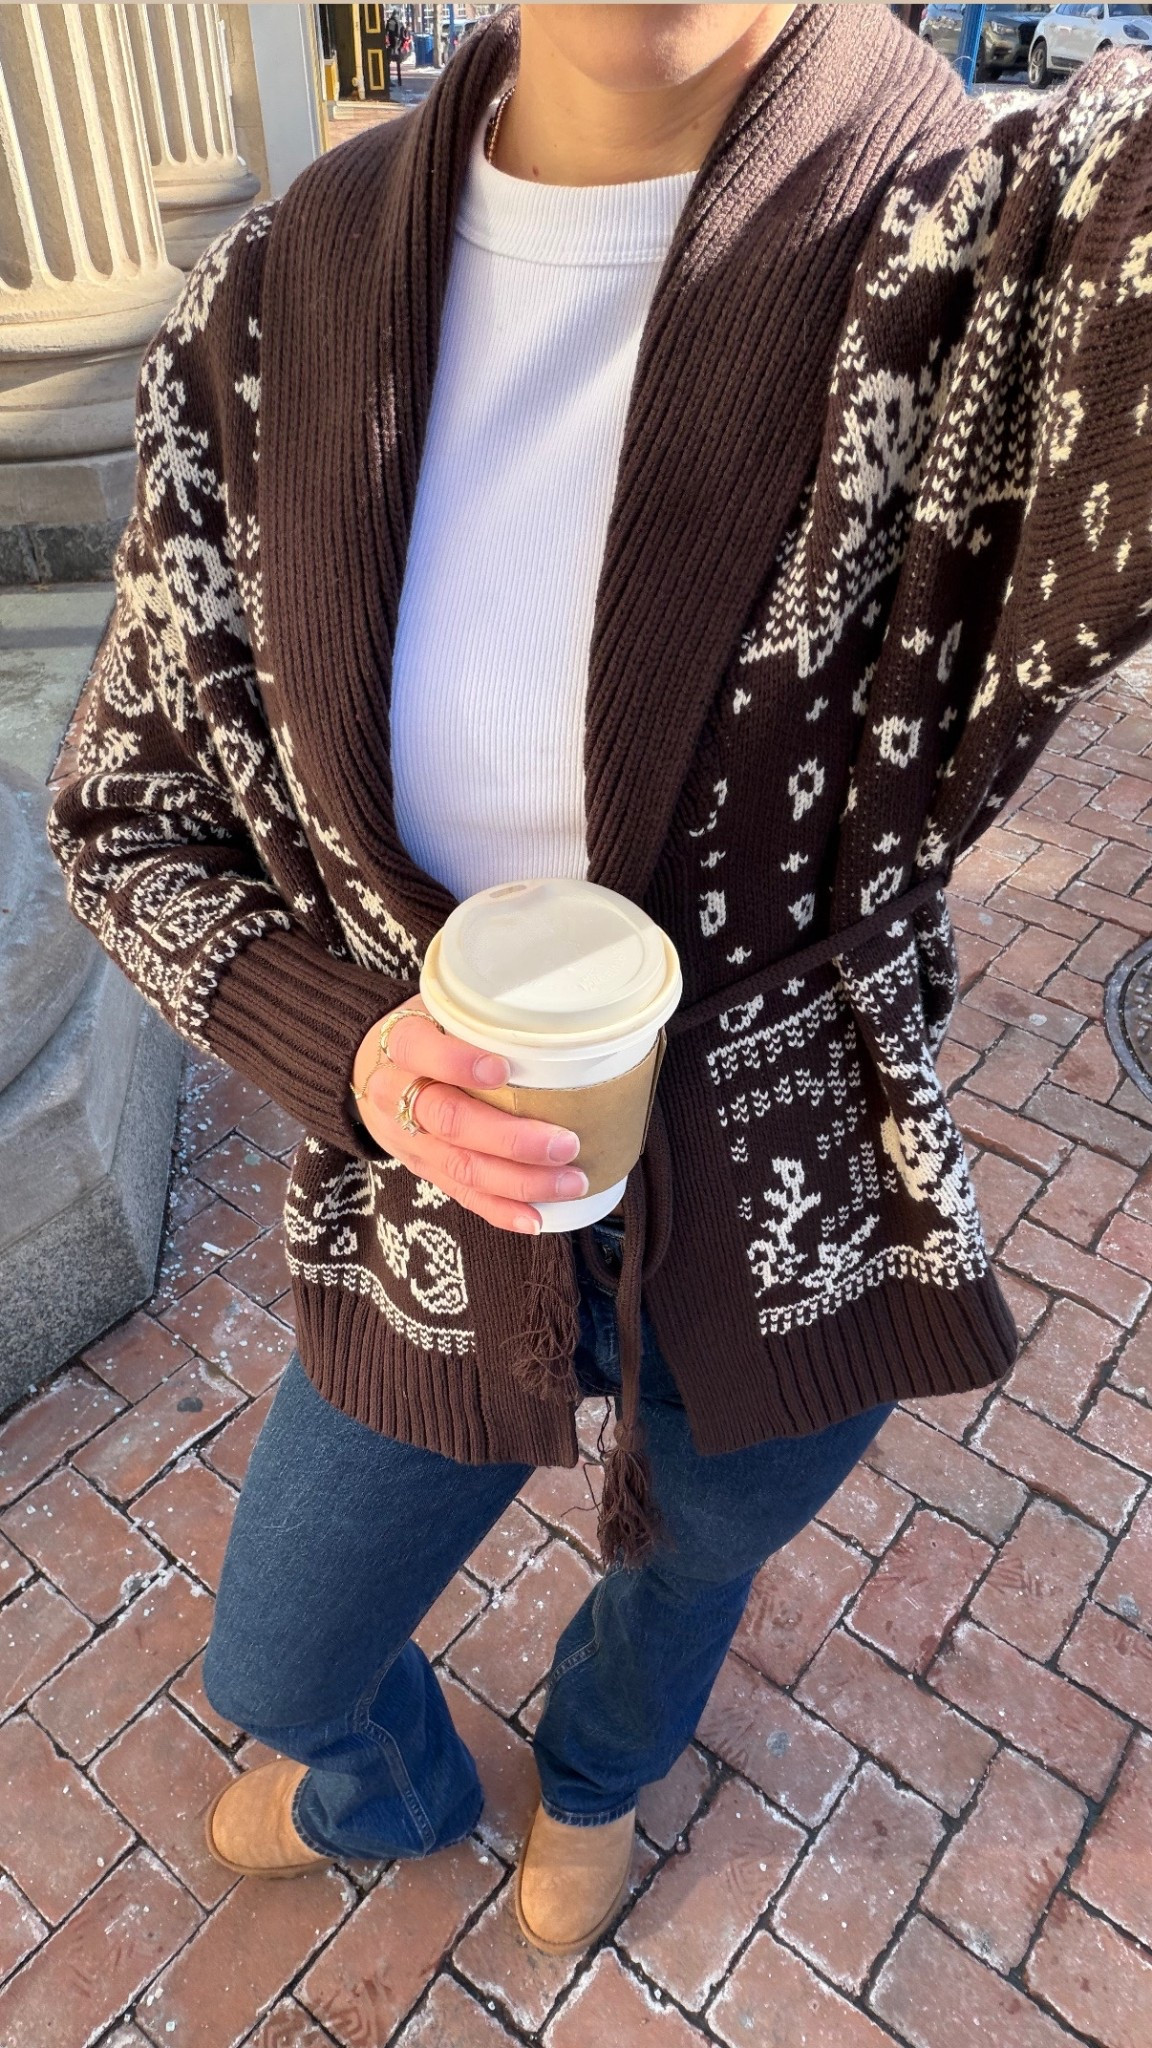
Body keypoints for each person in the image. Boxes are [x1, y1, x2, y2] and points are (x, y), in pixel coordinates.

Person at [48, 3, 1152, 1956]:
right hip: (429, 1199)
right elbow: (123, 810)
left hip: (797, 1199)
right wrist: (356, 1049)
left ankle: (600, 1769)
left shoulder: (1008, 253)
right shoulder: (274, 304)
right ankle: (379, 1770)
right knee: (287, 1648)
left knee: (699, 1555)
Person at [385, 10, 407, 92]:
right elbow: (404, 36)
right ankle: (399, 81)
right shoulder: (400, 23)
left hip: (392, 47)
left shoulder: (391, 22)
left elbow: (388, 33)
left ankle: (388, 81)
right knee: (398, 65)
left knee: (387, 64)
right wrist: (400, 46)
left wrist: (390, 45)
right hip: (398, 47)